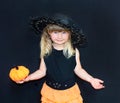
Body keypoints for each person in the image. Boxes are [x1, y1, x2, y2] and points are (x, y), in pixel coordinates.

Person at [16, 13, 105, 103]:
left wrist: (91, 79)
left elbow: (78, 69)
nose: (60, 36)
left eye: (64, 32)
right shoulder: (46, 52)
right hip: (50, 93)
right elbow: (42, 71)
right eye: (55, 32)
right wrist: (28, 78)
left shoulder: (73, 51)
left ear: (69, 34)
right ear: (49, 33)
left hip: (70, 94)